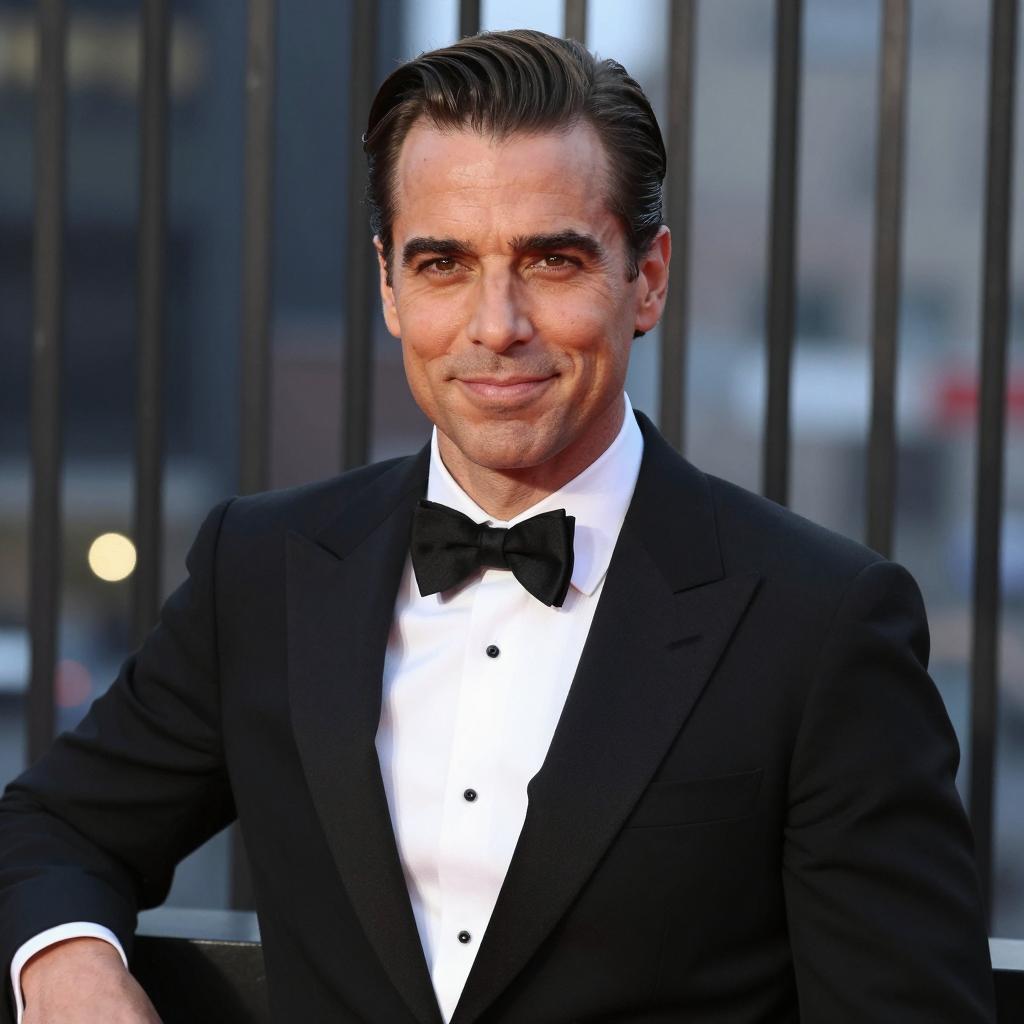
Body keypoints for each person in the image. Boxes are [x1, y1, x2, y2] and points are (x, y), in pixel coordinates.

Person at [0, 28, 997, 1024]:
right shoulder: (265, 571)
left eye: (551, 261)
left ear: (647, 278)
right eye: (444, 264)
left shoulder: (819, 623)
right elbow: (50, 825)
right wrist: (73, 970)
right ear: (389, 285)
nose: (495, 325)